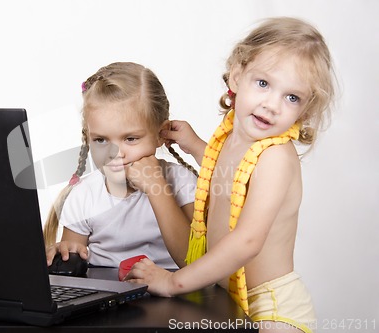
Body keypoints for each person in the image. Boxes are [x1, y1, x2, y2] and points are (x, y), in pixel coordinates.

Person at [125, 17, 336, 333]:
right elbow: (230, 174)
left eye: (292, 97)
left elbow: (248, 241)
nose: (271, 105)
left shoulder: (277, 156)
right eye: (263, 84)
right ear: (237, 76)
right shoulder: (232, 136)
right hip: (232, 298)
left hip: (272, 307)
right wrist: (196, 146)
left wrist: (172, 282)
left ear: (304, 110)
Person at [44, 62, 198, 269]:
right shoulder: (85, 195)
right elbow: (73, 261)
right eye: (101, 140)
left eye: (131, 139)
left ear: (161, 134)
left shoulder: (182, 183)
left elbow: (195, 262)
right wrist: (63, 254)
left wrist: (157, 189)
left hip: (176, 292)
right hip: (108, 296)